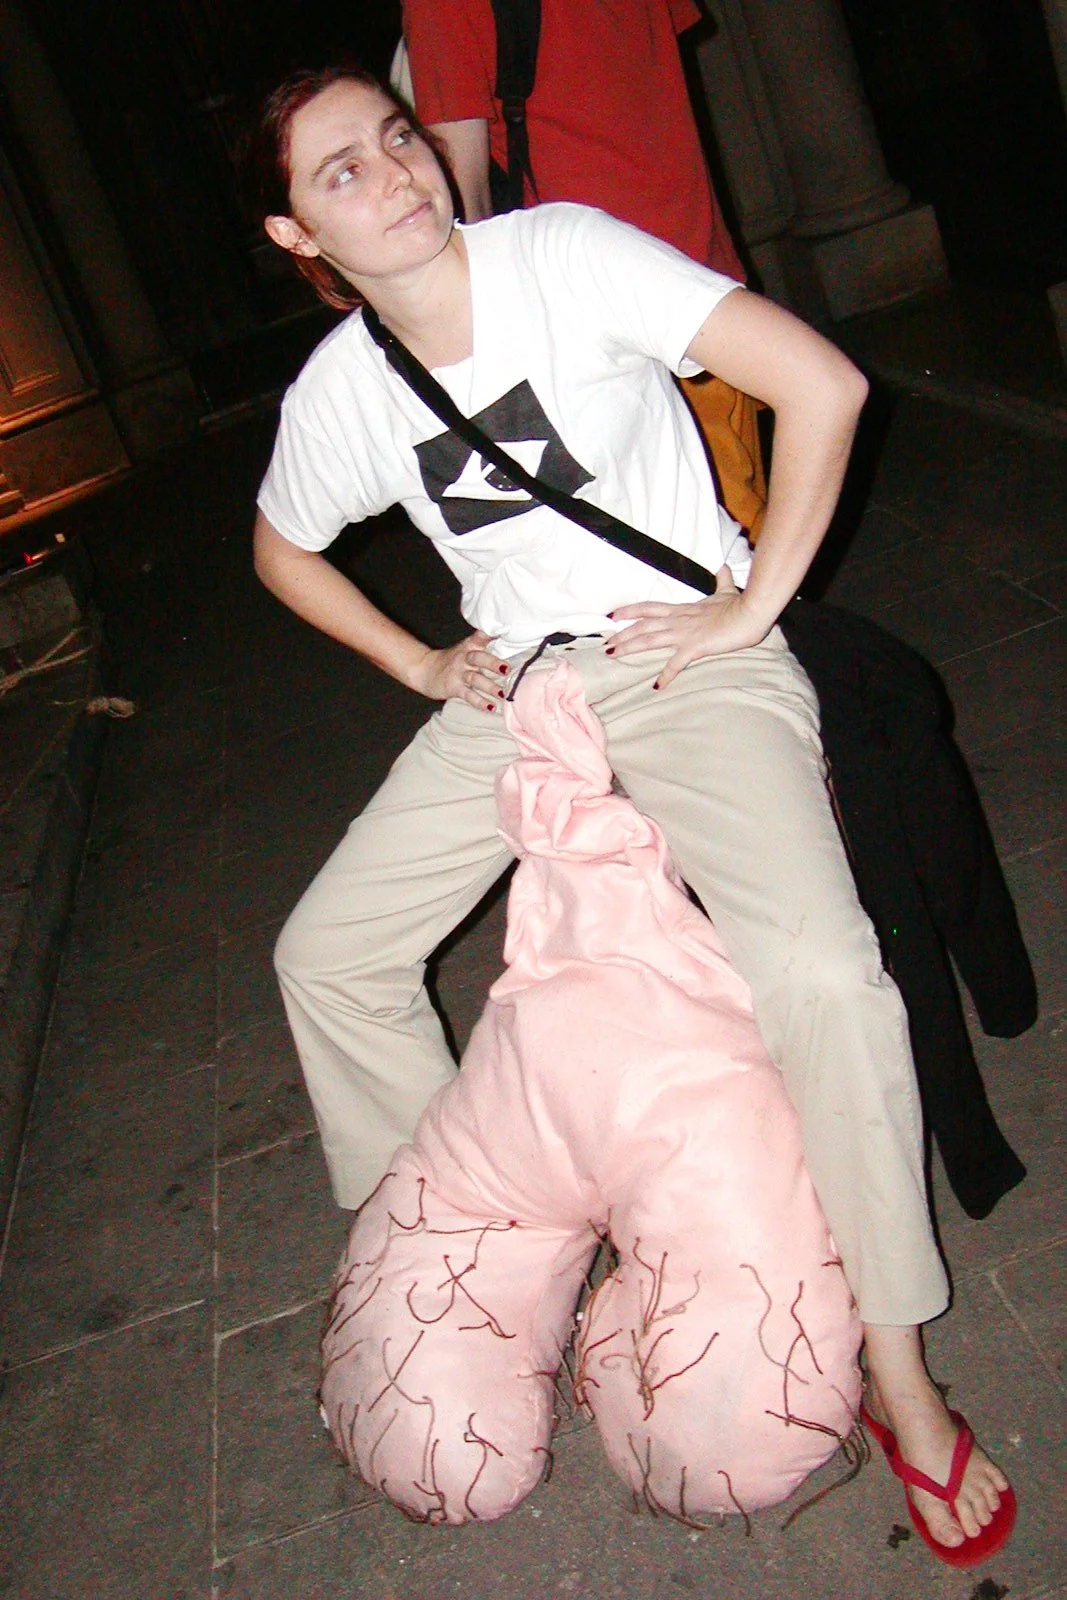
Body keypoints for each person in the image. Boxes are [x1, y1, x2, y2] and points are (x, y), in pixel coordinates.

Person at [245, 66, 1012, 1562]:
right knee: (324, 953)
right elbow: (282, 552)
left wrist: (750, 607)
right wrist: (418, 660)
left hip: (681, 661)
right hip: (521, 690)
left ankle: (900, 1371)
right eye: (342, 171)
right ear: (295, 234)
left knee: (816, 974)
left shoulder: (563, 255)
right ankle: (483, 1244)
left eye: (397, 137)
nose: (395, 173)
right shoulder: (339, 393)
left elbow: (822, 385)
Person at [400, 0, 768, 539]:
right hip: (705, 272)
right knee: (743, 531)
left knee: (696, 565)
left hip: (605, 321)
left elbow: (462, 194)